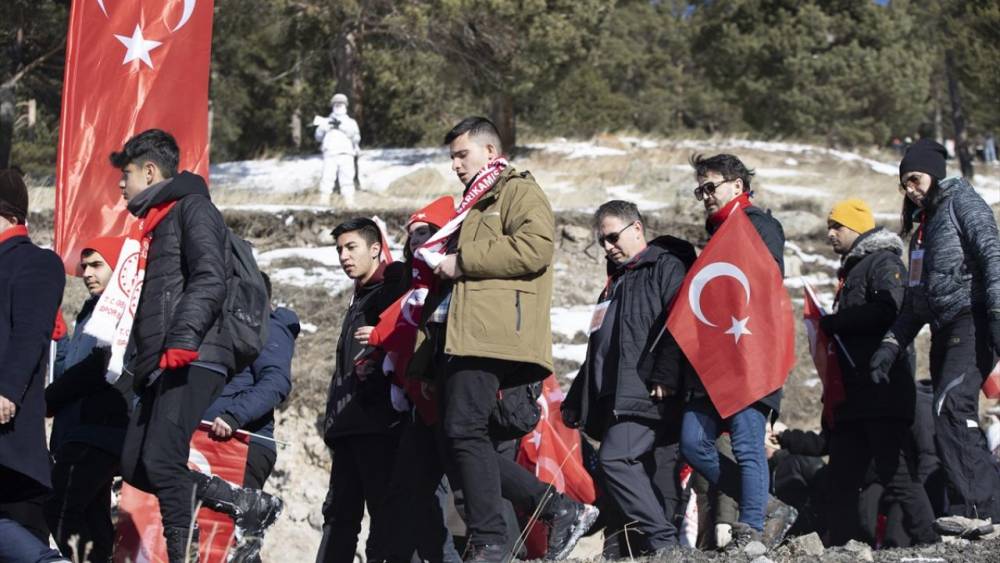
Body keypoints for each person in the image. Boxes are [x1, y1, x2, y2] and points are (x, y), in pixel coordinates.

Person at [418, 116, 594, 561]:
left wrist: (462, 260)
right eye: (452, 157)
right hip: (461, 334)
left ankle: (493, 538)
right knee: (455, 438)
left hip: (491, 334)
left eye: (463, 154)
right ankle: (553, 507)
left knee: (463, 431)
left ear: (491, 152)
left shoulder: (516, 190)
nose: (456, 165)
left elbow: (536, 247)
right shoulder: (473, 204)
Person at [107, 130, 281, 562]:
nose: (120, 184)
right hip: (164, 361)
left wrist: (184, 340)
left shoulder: (193, 209)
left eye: (125, 174)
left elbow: (209, 276)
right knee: (135, 464)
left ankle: (183, 551)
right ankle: (236, 501)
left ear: (150, 171)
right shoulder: (161, 222)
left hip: (195, 355)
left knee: (163, 459)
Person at [871, 138, 1000, 523]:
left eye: (915, 179)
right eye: (904, 184)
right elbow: (914, 304)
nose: (910, 189)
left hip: (973, 318)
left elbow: (993, 254)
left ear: (935, 172)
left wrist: (996, 311)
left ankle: (980, 512)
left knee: (951, 409)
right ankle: (977, 510)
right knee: (948, 418)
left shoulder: (963, 203)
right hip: (943, 330)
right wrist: (889, 347)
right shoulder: (922, 232)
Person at [562, 200, 693, 555]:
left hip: (648, 389)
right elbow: (599, 348)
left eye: (613, 237)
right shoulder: (615, 282)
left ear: (637, 228)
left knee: (617, 461)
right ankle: (627, 549)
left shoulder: (666, 266)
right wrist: (577, 397)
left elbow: (680, 322)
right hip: (614, 396)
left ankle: (665, 544)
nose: (608, 247)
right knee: (644, 471)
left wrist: (666, 372)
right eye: (602, 241)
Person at [679, 154, 794, 548]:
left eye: (711, 187)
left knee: (747, 447)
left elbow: (765, 285)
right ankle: (763, 504)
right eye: (701, 190)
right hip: (716, 363)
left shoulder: (760, 226)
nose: (705, 196)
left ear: (738, 186)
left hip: (749, 357)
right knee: (693, 441)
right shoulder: (718, 235)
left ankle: (752, 529)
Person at [820, 198, 939, 546]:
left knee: (896, 472)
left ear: (856, 227)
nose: (830, 233)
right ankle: (841, 544)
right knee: (841, 475)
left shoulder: (884, 262)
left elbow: (891, 310)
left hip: (882, 389)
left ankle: (930, 540)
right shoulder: (854, 268)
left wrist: (837, 322)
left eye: (836, 226)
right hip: (856, 395)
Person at [317, 218, 406, 563]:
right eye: (339, 249)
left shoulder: (391, 288)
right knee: (338, 516)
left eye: (351, 247)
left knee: (383, 518)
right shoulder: (359, 297)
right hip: (348, 426)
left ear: (375, 249)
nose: (343, 256)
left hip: (377, 425)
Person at [44, 236, 129, 562]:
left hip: (98, 429)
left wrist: (50, 397)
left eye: (97, 265)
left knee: (60, 507)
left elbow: (98, 366)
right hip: (80, 429)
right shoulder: (91, 309)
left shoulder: (120, 309)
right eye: (84, 266)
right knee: (92, 516)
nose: (87, 273)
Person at [202, 273, 298, 562]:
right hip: (206, 441)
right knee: (207, 538)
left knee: (234, 542)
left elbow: (276, 382)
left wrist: (233, 416)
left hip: (239, 443)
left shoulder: (269, 328)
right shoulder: (222, 330)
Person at [0, 168, 68, 562]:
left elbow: (31, 332)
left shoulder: (35, 263)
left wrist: (7, 389)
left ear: (11, 216)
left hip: (8, 438)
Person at [315, 93, 361, 205]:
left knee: (347, 179)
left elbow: (357, 138)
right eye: (336, 104)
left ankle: (349, 203)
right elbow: (318, 137)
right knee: (327, 178)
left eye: (341, 104)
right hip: (330, 154)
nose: (339, 106)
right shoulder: (325, 121)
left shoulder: (351, 122)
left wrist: (342, 127)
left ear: (345, 106)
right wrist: (324, 127)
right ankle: (324, 202)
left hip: (346, 154)